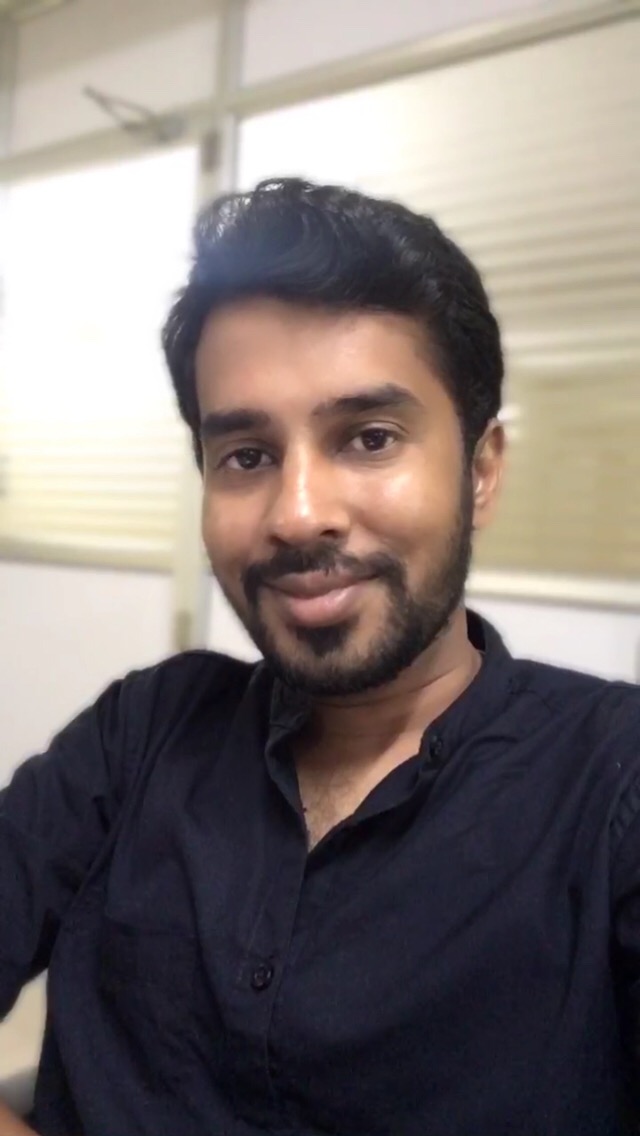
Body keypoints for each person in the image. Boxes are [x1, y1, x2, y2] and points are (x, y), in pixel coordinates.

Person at [0, 177, 638, 1136]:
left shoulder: (612, 784)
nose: (298, 516)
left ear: (481, 470)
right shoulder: (142, 734)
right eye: (247, 456)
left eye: (369, 438)